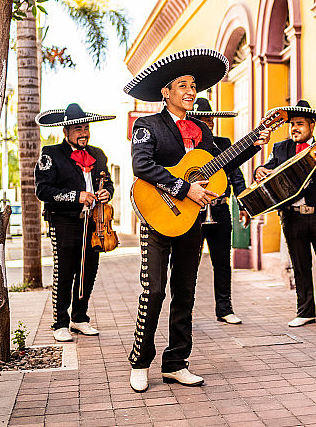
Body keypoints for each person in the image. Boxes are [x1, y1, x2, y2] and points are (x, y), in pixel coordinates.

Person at [123, 48, 269, 392]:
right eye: (183, 85)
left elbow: (220, 164)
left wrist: (254, 144)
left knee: (185, 292)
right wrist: (184, 188)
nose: (191, 91)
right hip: (158, 218)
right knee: (155, 291)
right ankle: (140, 361)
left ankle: (176, 363)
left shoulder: (202, 131)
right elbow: (141, 166)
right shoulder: (148, 125)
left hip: (191, 222)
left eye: (194, 87)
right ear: (166, 92)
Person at [254, 100, 316, 328]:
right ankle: (305, 311)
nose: (294, 128)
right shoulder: (279, 148)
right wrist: (259, 171)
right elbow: (266, 171)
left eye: (299, 124)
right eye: (292, 125)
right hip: (291, 216)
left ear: (312, 125)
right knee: (300, 264)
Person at [35, 103, 116, 342]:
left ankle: (80, 319)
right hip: (64, 221)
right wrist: (76, 196)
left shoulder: (98, 154)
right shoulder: (51, 154)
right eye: (78, 128)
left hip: (94, 222)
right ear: (66, 131)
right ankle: (60, 323)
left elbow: (108, 182)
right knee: (65, 271)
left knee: (88, 270)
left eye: (86, 128)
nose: (84, 133)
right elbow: (43, 190)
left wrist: (106, 194)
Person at [187, 97, 249, 325]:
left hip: (220, 209)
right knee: (188, 264)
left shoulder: (223, 143)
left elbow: (237, 177)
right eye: (203, 120)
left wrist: (243, 203)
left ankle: (225, 308)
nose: (209, 123)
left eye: (211, 119)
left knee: (222, 261)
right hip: (194, 211)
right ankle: (186, 312)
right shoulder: (186, 146)